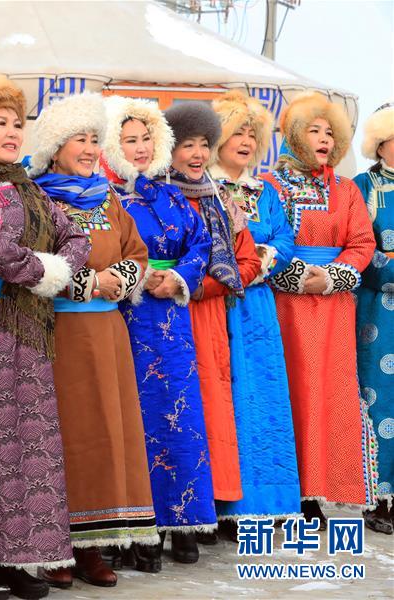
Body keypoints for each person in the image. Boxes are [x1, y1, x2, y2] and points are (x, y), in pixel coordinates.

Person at [0, 72, 90, 600]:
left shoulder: (27, 187)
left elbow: (77, 233)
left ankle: (29, 559)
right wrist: (45, 273)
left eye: (17, 124)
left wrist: (52, 268)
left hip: (29, 328)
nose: (11, 133)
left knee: (33, 443)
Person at [27, 92, 159, 587]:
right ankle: (56, 548)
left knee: (106, 434)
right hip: (59, 329)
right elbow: (32, 258)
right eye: (78, 139)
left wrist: (118, 281)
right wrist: (85, 283)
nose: (88, 148)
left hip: (107, 332)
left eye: (93, 139)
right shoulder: (38, 197)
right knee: (64, 435)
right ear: (56, 146)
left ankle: (93, 545)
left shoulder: (106, 197)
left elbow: (136, 251)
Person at [102, 95, 217, 565]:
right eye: (130, 139)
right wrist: (138, 275)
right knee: (132, 420)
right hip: (124, 318)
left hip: (171, 318)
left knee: (180, 415)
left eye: (148, 137)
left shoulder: (171, 194)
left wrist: (180, 278)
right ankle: (136, 530)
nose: (141, 147)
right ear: (114, 145)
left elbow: (202, 243)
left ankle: (185, 521)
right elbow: (96, 250)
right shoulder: (100, 196)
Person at [262, 91, 377, 526]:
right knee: (288, 390)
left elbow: (362, 242)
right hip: (284, 305)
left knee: (328, 394)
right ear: (294, 135)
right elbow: (264, 239)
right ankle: (283, 489)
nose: (323, 139)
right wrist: (294, 275)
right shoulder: (269, 186)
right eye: (314, 130)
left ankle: (316, 490)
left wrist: (331, 277)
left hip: (332, 306)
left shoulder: (346, 190)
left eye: (330, 132)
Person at [163, 102, 263, 546]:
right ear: (170, 149)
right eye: (187, 145)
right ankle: (173, 511)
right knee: (173, 410)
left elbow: (247, 261)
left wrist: (205, 287)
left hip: (205, 314)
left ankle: (212, 504)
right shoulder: (153, 196)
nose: (198, 153)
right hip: (161, 313)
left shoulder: (221, 200)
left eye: (205, 144)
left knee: (211, 406)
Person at [208, 91, 301, 535]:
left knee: (261, 395)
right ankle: (224, 502)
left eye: (252, 133)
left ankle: (267, 499)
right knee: (224, 397)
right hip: (214, 302)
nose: (245, 140)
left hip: (257, 305)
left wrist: (255, 261)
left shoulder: (265, 191)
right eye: (236, 131)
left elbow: (284, 237)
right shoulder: (200, 185)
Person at [354, 101, 394, 534]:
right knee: (379, 398)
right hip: (377, 315)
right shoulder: (364, 185)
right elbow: (363, 247)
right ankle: (378, 498)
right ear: (380, 143)